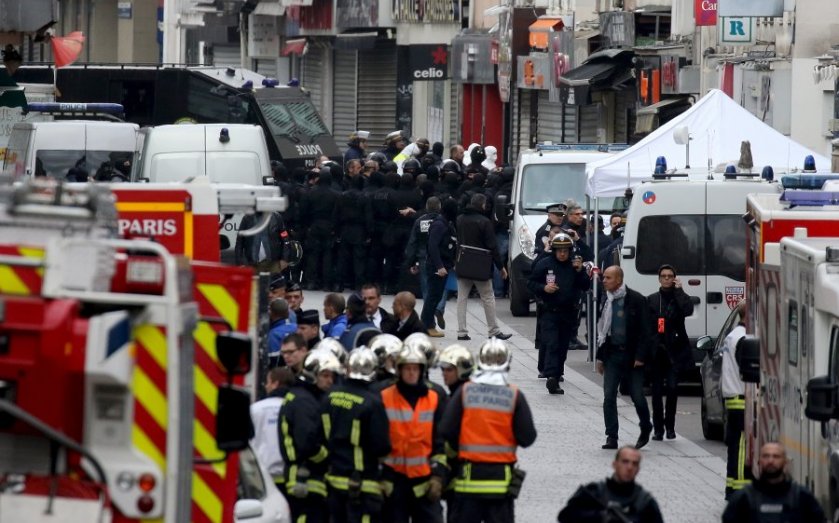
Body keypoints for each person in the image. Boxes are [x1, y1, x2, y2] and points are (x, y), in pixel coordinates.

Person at [441, 339, 537, 523]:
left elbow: (446, 429)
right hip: (500, 485)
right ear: (507, 364)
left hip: (468, 482)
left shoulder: (465, 392)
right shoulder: (514, 395)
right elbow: (527, 438)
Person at [321, 347, 392, 523]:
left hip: (332, 479)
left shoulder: (329, 397)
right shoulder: (373, 403)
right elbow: (381, 446)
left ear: (348, 369)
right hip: (362, 483)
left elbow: (318, 435)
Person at [379, 345, 447, 523]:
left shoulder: (433, 398)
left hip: (424, 484)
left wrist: (438, 477)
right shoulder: (384, 397)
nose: (411, 373)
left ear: (422, 370)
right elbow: (374, 440)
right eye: (407, 368)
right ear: (399, 370)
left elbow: (440, 442)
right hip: (393, 483)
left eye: (415, 368)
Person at [279, 351, 343, 523]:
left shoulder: (303, 396)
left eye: (332, 376)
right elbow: (307, 443)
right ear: (313, 374)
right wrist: (328, 458)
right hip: (305, 476)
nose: (330, 381)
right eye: (325, 375)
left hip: (305, 476)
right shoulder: (304, 402)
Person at [595, 266, 653, 450]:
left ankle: (646, 427)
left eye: (608, 278)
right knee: (609, 395)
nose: (604, 280)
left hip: (632, 356)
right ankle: (611, 436)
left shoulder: (636, 300)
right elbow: (602, 331)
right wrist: (600, 358)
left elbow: (646, 331)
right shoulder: (607, 300)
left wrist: (641, 356)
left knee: (637, 396)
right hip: (612, 354)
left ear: (619, 280)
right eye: (604, 277)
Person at [528, 234, 590, 395]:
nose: (562, 254)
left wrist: (580, 271)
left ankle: (557, 374)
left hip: (569, 313)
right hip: (549, 311)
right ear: (554, 251)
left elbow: (585, 285)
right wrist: (544, 289)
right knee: (552, 344)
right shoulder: (544, 264)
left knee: (562, 346)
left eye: (565, 251)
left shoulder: (574, 266)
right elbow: (531, 283)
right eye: (559, 250)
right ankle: (551, 377)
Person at [646, 264, 694, 440]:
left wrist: (680, 290)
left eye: (669, 276)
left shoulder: (680, 298)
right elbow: (646, 326)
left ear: (674, 278)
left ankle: (670, 426)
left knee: (673, 389)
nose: (666, 279)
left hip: (675, 351)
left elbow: (688, 310)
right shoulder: (652, 300)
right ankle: (658, 428)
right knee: (657, 392)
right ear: (659, 279)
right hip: (658, 352)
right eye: (664, 276)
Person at [722, 442, 826, 523]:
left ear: (786, 462)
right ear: (759, 461)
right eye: (766, 456)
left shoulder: (803, 498)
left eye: (776, 456)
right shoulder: (742, 499)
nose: (770, 461)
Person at [455, 193, 512, 341]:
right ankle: (493, 330)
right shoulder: (485, 222)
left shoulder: (460, 219)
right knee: (487, 297)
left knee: (462, 298)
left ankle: (461, 331)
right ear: (482, 205)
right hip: (481, 265)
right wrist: (501, 267)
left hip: (464, 262)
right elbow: (492, 246)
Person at [557, 446, 664, 523]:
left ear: (638, 469)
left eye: (634, 464)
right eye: (625, 462)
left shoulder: (645, 502)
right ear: (615, 464)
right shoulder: (594, 492)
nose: (629, 467)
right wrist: (600, 516)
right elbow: (565, 516)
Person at [722, 300, 751, 500]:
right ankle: (739, 490)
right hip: (741, 398)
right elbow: (747, 370)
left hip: (733, 398)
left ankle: (732, 486)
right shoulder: (743, 338)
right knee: (741, 446)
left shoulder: (733, 336)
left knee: (735, 446)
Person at [250, 367, 295, 487]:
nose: (266, 386)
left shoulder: (256, 409)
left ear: (275, 384)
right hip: (289, 476)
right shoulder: (295, 408)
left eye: (268, 382)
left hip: (262, 476)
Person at [421, 197, 457, 338]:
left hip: (443, 265)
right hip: (437, 267)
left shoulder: (445, 223)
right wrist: (439, 266)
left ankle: (426, 323)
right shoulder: (439, 225)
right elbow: (432, 246)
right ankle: (427, 325)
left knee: (435, 296)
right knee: (433, 296)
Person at [299, 169, 339, 291]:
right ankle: (326, 283)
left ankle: (311, 281)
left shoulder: (309, 193)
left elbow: (303, 211)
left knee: (313, 255)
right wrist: (334, 228)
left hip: (314, 226)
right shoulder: (336, 194)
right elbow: (337, 213)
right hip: (329, 227)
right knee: (328, 256)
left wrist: (307, 226)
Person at [268, 298, 298, 368]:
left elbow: (273, 361)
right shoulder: (297, 327)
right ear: (288, 312)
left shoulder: (273, 334)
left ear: (271, 313)